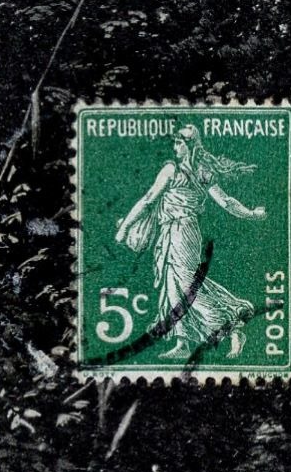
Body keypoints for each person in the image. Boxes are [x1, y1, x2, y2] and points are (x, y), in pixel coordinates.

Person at [113, 124, 265, 358]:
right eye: (174, 142)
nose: (175, 147)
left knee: (186, 286)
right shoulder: (198, 170)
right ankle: (182, 343)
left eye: (179, 142)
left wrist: (124, 229)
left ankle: (231, 328)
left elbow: (148, 200)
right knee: (173, 286)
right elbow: (225, 201)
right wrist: (251, 213)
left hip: (182, 233)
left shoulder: (175, 171)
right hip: (172, 232)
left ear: (190, 145)